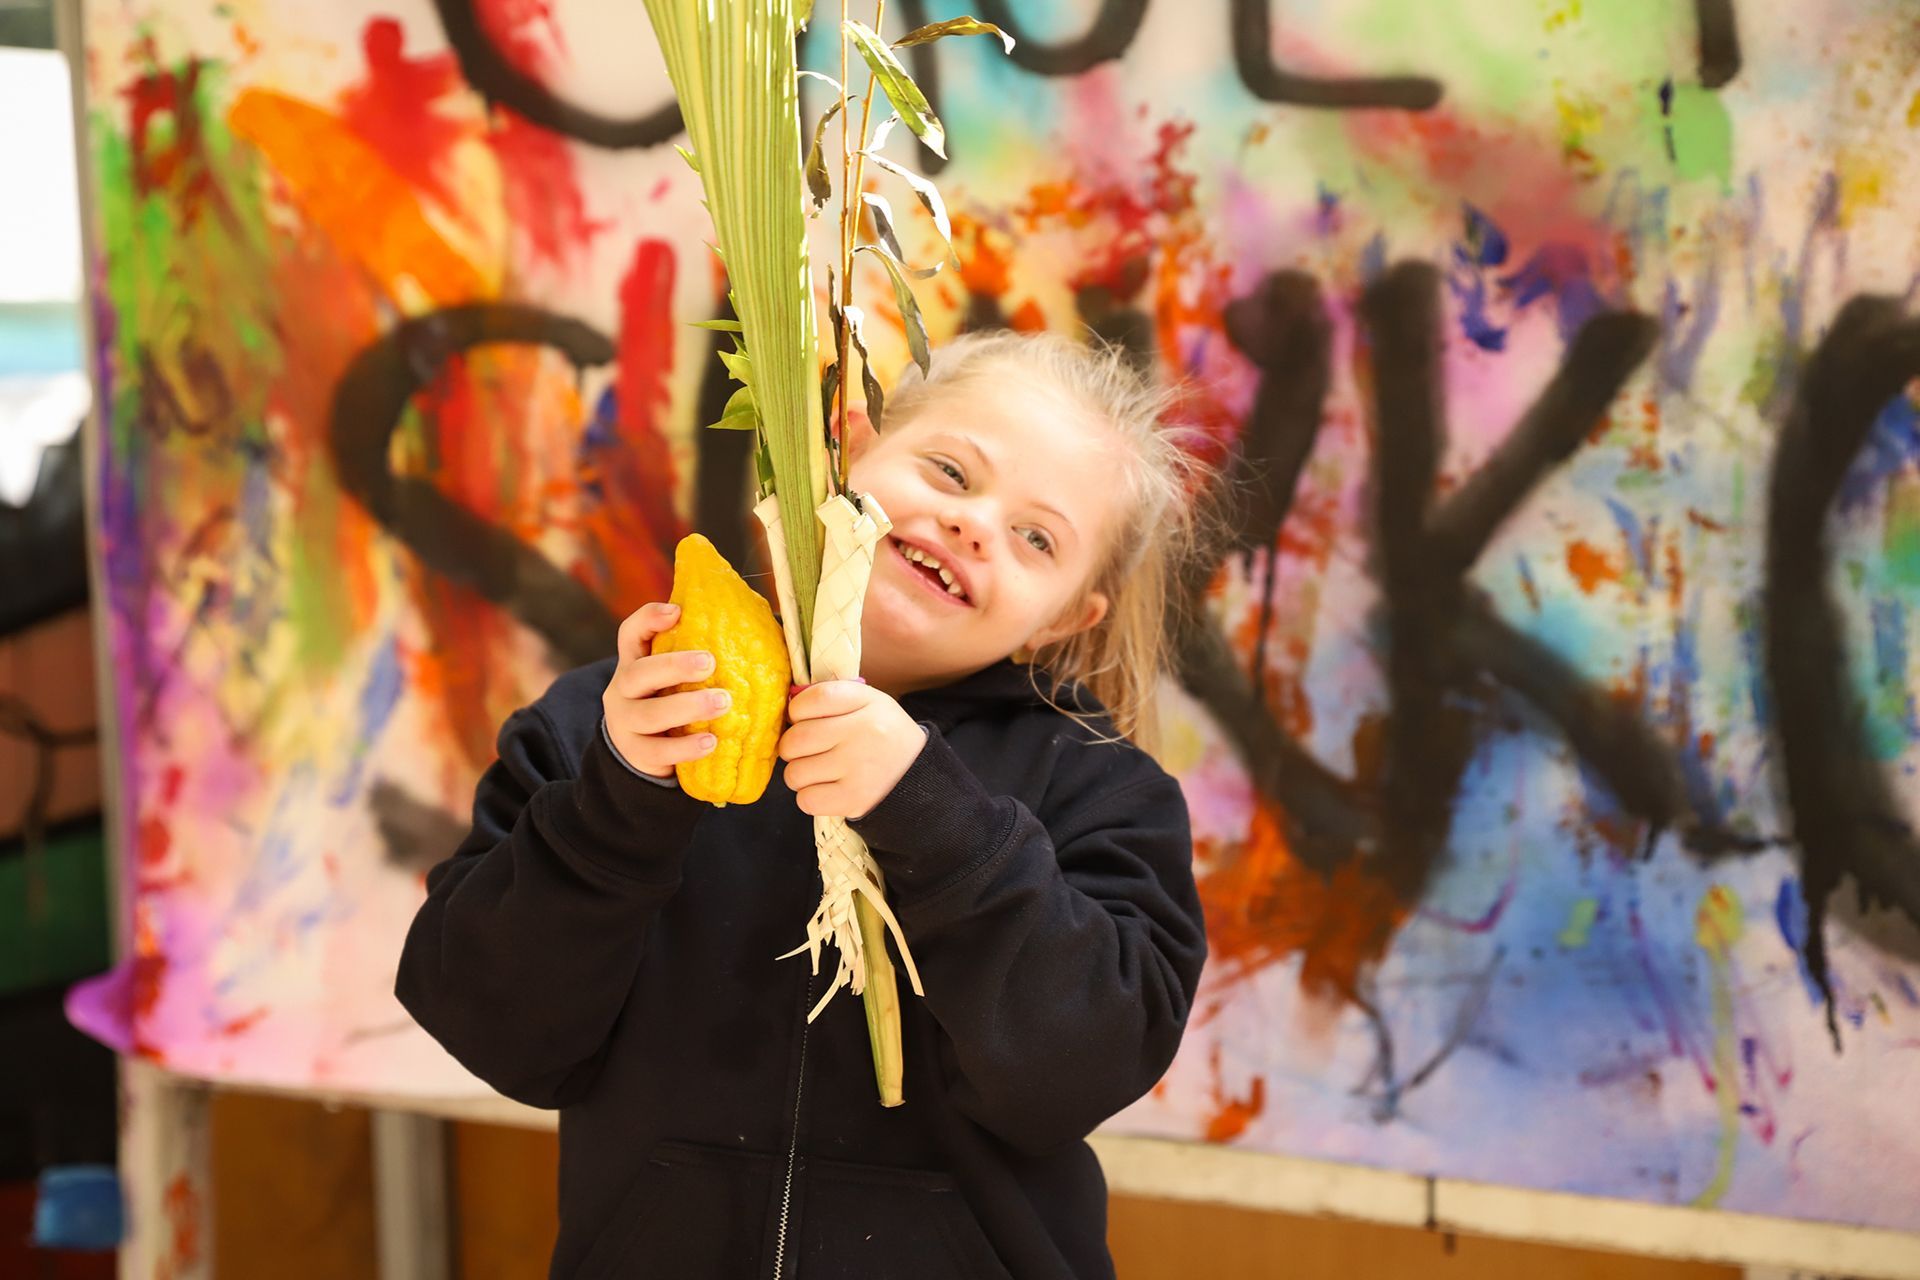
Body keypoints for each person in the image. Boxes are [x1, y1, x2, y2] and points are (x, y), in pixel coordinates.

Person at [396, 329, 1225, 1279]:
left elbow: (1075, 1072)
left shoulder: (1102, 789)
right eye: (952, 471)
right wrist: (620, 798)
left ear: (1068, 617)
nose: (974, 524)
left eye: (1037, 538)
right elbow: (491, 1026)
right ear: (850, 443)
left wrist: (931, 814)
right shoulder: (612, 724)